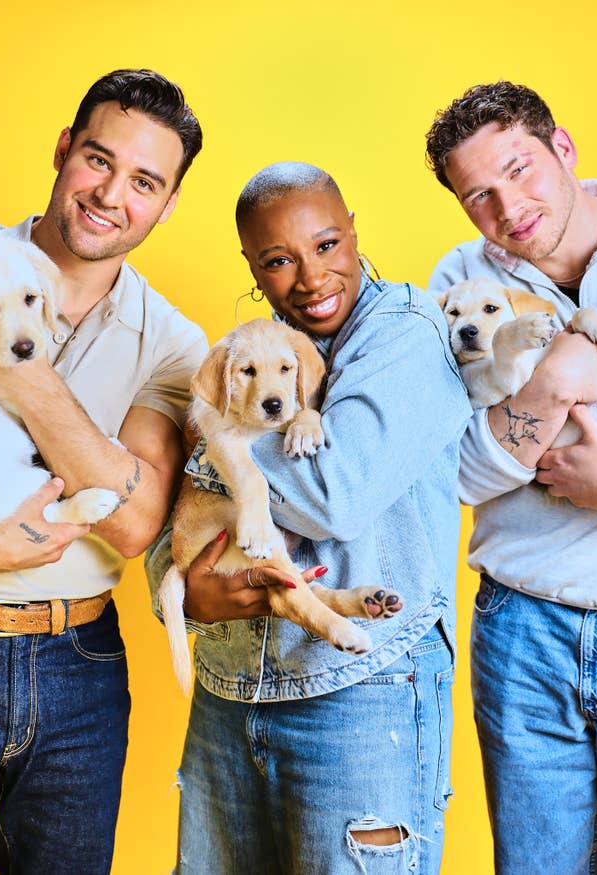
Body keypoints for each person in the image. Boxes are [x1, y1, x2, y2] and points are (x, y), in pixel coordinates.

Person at [146, 161, 471, 874]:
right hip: (230, 688)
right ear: (253, 268)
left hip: (360, 691)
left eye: (327, 244)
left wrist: (217, 447)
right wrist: (180, 588)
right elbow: (169, 510)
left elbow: (334, 496)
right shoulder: (255, 352)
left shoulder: (404, 336)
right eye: (278, 260)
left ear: (354, 228)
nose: (311, 277)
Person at [0, 69, 207, 874]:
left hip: (78, 666)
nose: (111, 193)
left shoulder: (172, 343)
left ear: (167, 203)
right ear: (62, 150)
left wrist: (16, 367)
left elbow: (133, 518)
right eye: (97, 158)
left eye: (145, 181)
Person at [426, 81, 597, 874]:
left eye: (520, 170)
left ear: (565, 150)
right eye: (478, 194)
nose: (508, 207)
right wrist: (556, 381)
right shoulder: (461, 284)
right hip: (522, 628)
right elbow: (458, 472)